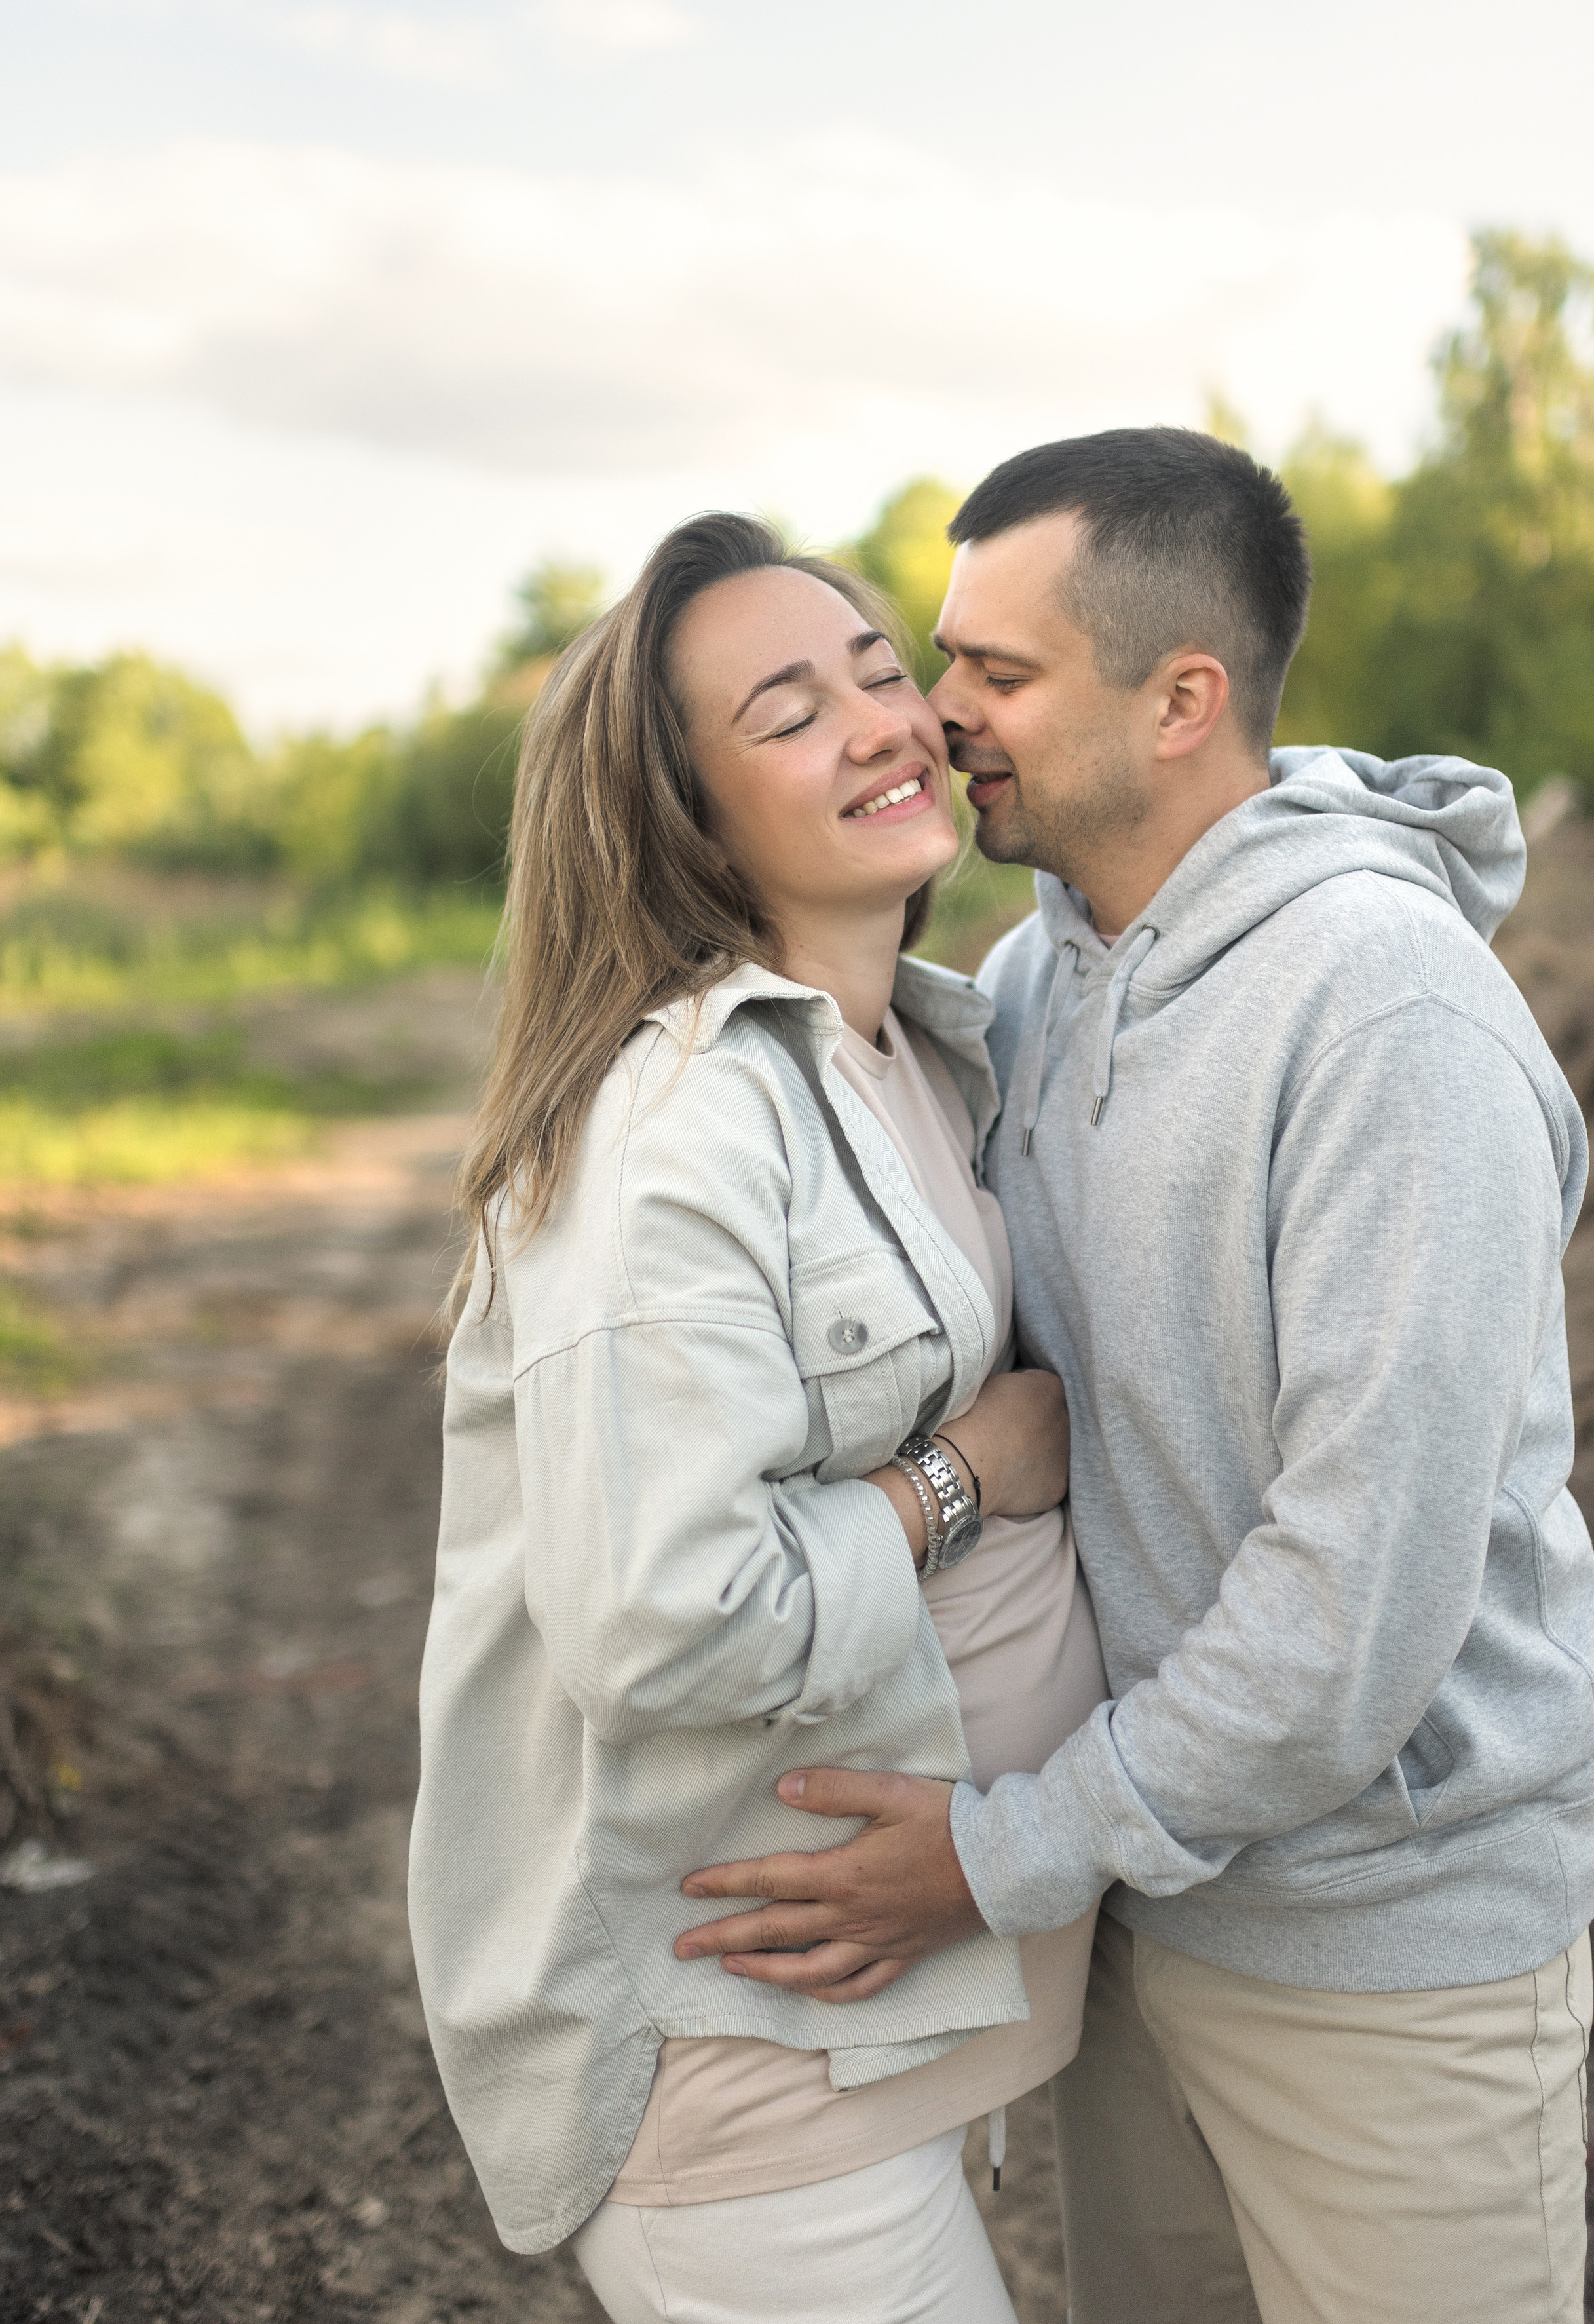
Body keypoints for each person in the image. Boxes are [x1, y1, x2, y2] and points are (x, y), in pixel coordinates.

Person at [674, 430, 1594, 2324]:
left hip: (1388, 1943)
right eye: (940, 660)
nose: (934, 716)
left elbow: (1350, 1604)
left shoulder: (1388, 1012)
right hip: (1132, 1911)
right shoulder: (1038, 987)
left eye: (995, 674)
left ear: (1183, 696)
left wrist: (995, 1853)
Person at [406, 511, 1110, 2324]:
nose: (885, 720)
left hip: (885, 2014)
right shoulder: (680, 1129)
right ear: (693, 821)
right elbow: (666, 1612)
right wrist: (962, 1476)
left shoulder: (927, 1053)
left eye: (884, 671)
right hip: (752, 2053)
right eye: (793, 711)